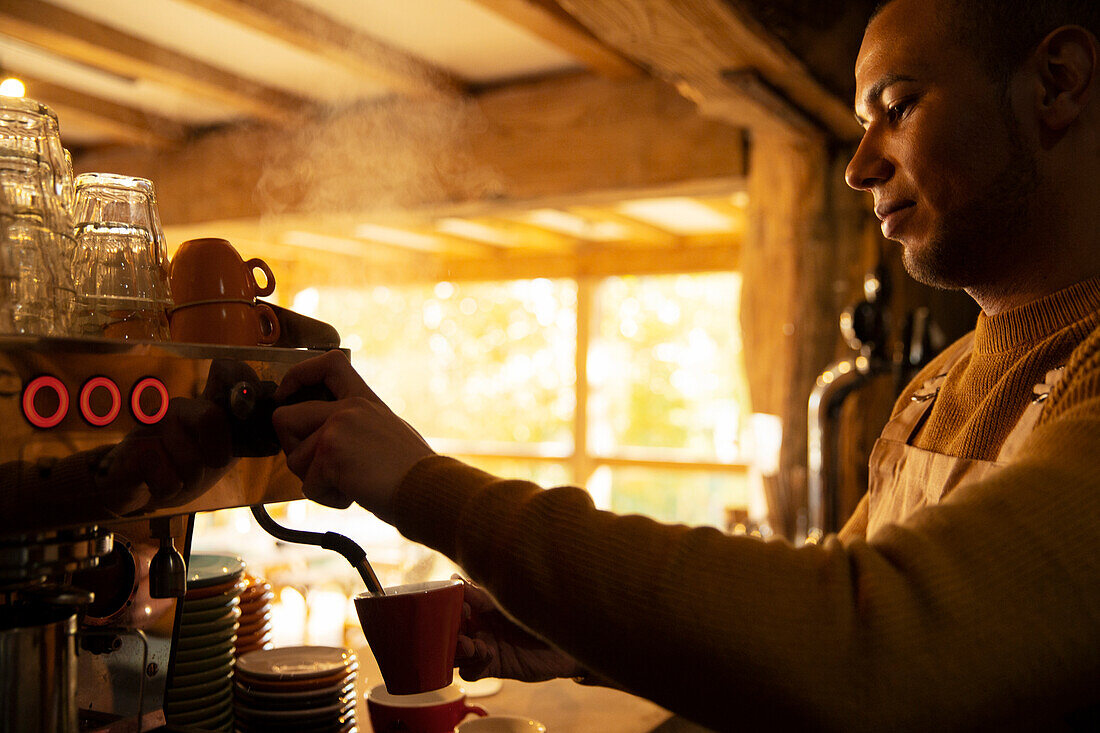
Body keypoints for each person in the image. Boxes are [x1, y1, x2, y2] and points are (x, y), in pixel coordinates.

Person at [271, 0, 1100, 728]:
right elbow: (800, 624)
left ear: (1057, 82)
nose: (859, 166)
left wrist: (424, 484)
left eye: (900, 106)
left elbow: (869, 643)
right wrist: (577, 637)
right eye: (862, 124)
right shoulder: (934, 385)